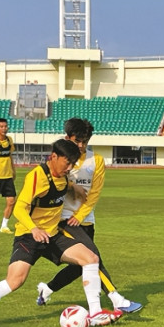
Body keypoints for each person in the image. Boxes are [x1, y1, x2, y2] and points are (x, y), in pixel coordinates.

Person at [0, 139, 122, 327]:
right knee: (15, 281)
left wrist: (73, 187)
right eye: (67, 163)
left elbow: (61, 184)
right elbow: (19, 208)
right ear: (54, 157)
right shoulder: (37, 176)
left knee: (91, 258)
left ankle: (95, 313)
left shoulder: (63, 176)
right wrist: (34, 229)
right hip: (29, 235)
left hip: (52, 236)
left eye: (72, 164)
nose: (69, 168)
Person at [36, 118, 143, 314]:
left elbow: (94, 193)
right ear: (67, 138)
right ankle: (116, 298)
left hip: (85, 220)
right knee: (94, 257)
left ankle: (47, 289)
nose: (81, 145)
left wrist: (81, 215)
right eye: (77, 141)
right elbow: (50, 181)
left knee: (81, 266)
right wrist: (71, 188)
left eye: (85, 141)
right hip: (64, 220)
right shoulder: (59, 159)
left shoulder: (96, 161)